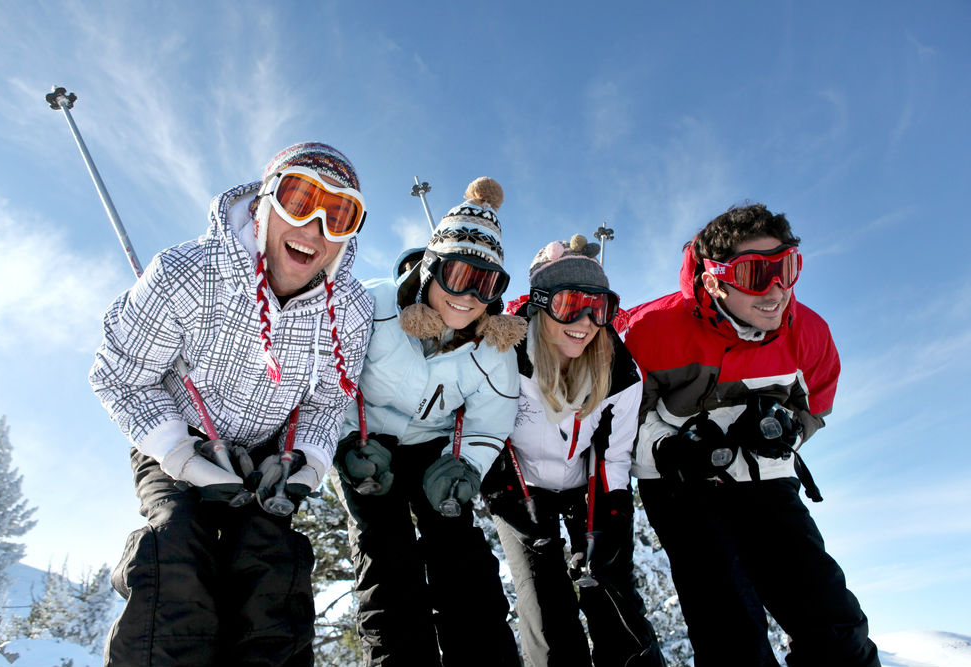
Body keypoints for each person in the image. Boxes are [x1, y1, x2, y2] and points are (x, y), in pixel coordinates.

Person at [89, 142, 373, 667]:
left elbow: (329, 399)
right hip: (179, 436)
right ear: (264, 204)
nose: (313, 229)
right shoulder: (188, 273)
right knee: (175, 554)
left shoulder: (349, 310)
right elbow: (121, 376)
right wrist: (181, 454)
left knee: (271, 567)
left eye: (338, 215)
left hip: (268, 456)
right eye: (298, 198)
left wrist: (301, 465)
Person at [627, 203, 880, 666]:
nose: (776, 290)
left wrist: (785, 431)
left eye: (785, 268)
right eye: (752, 273)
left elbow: (815, 405)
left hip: (767, 482)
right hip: (682, 488)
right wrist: (668, 448)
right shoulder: (649, 331)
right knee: (733, 634)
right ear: (713, 279)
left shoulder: (809, 334)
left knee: (836, 628)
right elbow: (614, 414)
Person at [331, 177, 525, 667]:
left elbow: (490, 419)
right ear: (430, 269)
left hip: (436, 451)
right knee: (385, 554)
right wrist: (344, 443)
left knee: (459, 552)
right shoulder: (371, 307)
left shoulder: (491, 346)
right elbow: (326, 384)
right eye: (458, 275)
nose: (468, 296)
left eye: (487, 283)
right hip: (368, 445)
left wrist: (466, 464)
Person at [482, 234, 666, 667]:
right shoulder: (507, 354)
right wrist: (504, 494)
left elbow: (615, 455)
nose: (585, 321)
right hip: (521, 489)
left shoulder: (619, 373)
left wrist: (610, 522)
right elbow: (483, 429)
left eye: (598, 308)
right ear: (541, 304)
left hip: (587, 487)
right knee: (545, 606)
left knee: (609, 588)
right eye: (570, 304)